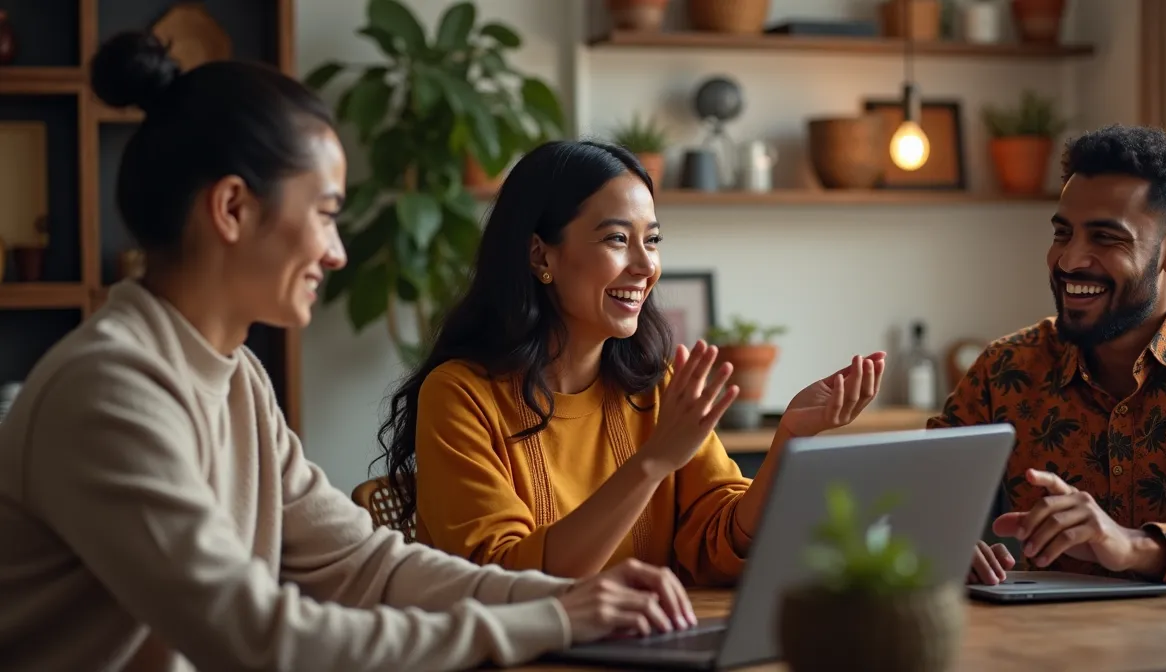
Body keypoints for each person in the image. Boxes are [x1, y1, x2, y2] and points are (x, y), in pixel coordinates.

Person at [0, 32, 696, 672]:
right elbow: (260, 638)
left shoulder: (235, 377)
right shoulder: (109, 392)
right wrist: (548, 618)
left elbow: (368, 566)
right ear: (233, 209)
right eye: (327, 214)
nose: (336, 254)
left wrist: (558, 603)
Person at [376, 139, 886, 585]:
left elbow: (721, 544)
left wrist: (791, 438)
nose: (646, 267)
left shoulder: (653, 385)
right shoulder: (460, 396)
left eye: (653, 240)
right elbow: (509, 582)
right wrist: (651, 463)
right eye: (617, 239)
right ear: (540, 256)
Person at [933, 124, 1166, 589]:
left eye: (1106, 239)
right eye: (1063, 233)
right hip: (1047, 653)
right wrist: (939, 544)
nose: (1070, 261)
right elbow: (908, 505)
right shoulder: (1006, 368)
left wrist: (1134, 546)